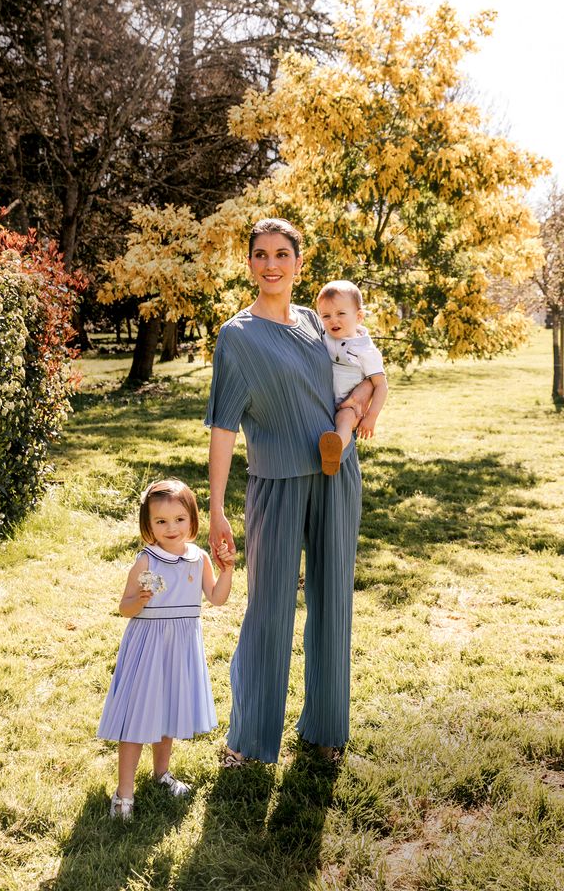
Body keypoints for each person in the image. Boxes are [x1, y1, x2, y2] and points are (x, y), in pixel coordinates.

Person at [205, 218, 374, 766]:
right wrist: (215, 510)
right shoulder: (237, 336)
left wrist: (372, 404)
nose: (271, 264)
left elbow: (364, 373)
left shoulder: (317, 321)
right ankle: (251, 742)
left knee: (332, 602)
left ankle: (325, 732)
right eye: (261, 254)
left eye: (282, 254)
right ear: (249, 263)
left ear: (299, 263)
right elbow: (224, 427)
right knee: (269, 610)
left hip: (335, 477)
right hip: (274, 485)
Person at [97, 478, 234, 819]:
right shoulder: (147, 561)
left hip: (181, 646)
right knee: (138, 718)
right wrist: (139, 600)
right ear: (149, 525)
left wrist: (227, 570)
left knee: (168, 711)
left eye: (179, 520)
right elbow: (124, 607)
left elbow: (217, 598)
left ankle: (161, 774)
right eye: (161, 521)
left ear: (192, 520)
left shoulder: (198, 558)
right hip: (148, 646)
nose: (171, 528)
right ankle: (123, 794)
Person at [316, 279, 388, 476]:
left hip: (350, 405)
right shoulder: (324, 337)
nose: (333, 320)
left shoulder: (365, 349)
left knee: (345, 419)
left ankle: (334, 450)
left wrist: (371, 417)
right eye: (326, 315)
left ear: (359, 317)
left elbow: (381, 385)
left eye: (341, 314)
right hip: (322, 401)